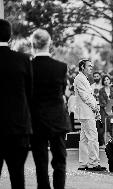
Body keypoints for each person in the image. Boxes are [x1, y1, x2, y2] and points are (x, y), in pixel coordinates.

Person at [30, 29, 71, 189]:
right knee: (60, 161)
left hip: (36, 120)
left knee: (40, 162)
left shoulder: (29, 66)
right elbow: (62, 92)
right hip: (57, 119)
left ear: (33, 44)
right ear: (49, 43)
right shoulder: (61, 67)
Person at [0, 19, 33, 189]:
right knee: (17, 175)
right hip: (18, 128)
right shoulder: (23, 60)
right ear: (10, 36)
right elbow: (29, 93)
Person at [73, 59, 106, 171]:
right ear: (82, 67)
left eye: (92, 66)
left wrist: (94, 107)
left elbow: (88, 96)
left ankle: (84, 163)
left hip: (86, 111)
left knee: (84, 139)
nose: (91, 68)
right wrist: (95, 107)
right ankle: (93, 163)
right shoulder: (80, 78)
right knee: (92, 137)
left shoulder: (83, 78)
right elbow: (85, 96)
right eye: (89, 66)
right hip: (86, 112)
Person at [98, 75, 113, 142]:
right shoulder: (101, 90)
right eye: (105, 80)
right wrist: (106, 106)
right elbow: (101, 100)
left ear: (109, 80)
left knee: (112, 124)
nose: (106, 81)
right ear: (103, 81)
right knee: (104, 125)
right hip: (103, 110)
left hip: (112, 110)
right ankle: (103, 142)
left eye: (107, 79)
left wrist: (112, 109)